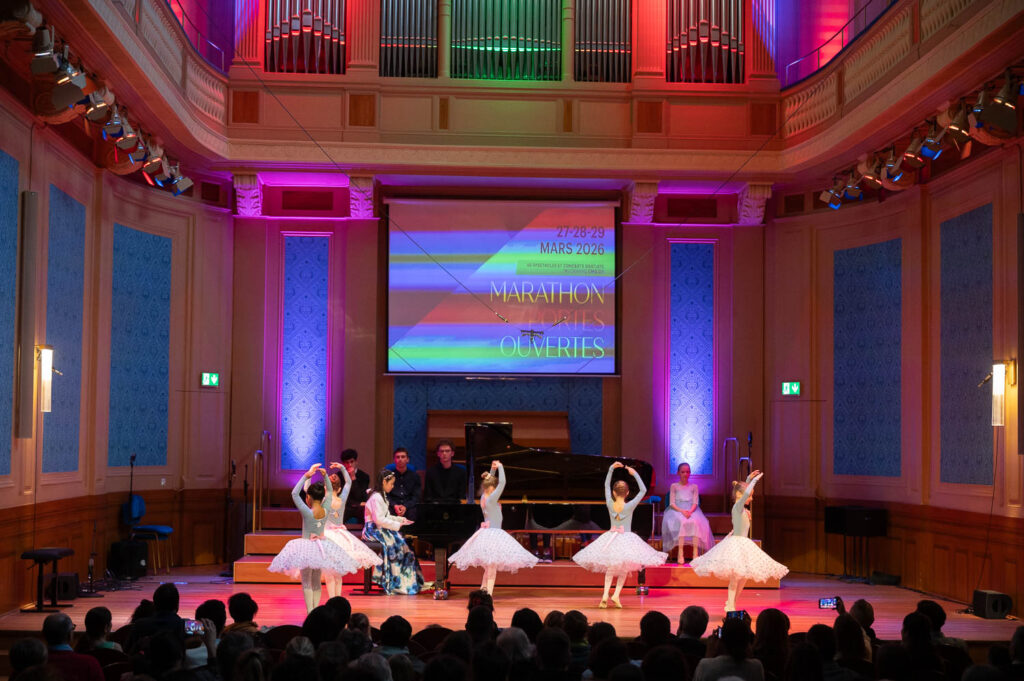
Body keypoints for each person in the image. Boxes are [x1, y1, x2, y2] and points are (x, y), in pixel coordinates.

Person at [571, 461, 667, 608]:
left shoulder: (610, 502)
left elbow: (605, 487)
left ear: (614, 493)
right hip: (626, 540)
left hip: (611, 537)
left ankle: (606, 595)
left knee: (611, 569)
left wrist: (610, 470)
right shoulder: (629, 505)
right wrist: (634, 474)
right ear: (627, 493)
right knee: (623, 569)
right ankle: (615, 595)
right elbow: (643, 491)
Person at [268, 463, 362, 613]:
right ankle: (315, 610)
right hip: (321, 548)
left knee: (307, 582)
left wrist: (307, 475)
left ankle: (310, 611)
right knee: (317, 581)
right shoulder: (325, 510)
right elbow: (330, 492)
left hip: (306, 547)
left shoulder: (307, 512)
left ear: (309, 498)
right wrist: (325, 476)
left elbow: (294, 493)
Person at [690, 470, 788, 612]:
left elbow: (745, 493)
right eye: (750, 496)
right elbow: (745, 494)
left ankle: (732, 603)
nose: (751, 499)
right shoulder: (737, 507)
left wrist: (748, 479)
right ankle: (730, 606)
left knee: (743, 577)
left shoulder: (742, 509)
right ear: (739, 495)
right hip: (737, 544)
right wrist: (754, 481)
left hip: (743, 543)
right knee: (735, 578)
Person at [449, 460, 539, 595]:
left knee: (490, 568)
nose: (498, 489)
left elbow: (491, 481)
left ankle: (483, 592)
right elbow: (503, 483)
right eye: (495, 487)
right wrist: (501, 467)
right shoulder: (491, 500)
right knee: (491, 569)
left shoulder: (484, 498)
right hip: (494, 535)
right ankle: (488, 594)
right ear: (492, 488)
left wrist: (492, 470)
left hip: (487, 534)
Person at [318, 462, 382, 597]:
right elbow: (348, 482)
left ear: (326, 487)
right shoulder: (341, 497)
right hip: (341, 536)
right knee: (337, 573)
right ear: (339, 489)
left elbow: (309, 491)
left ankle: (332, 601)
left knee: (330, 573)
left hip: (328, 536)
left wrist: (323, 475)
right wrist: (342, 468)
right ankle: (337, 600)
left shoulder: (326, 498)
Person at [362, 467, 425, 594]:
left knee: (404, 545)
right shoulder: (376, 497)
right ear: (384, 483)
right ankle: (394, 582)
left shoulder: (382, 496)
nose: (392, 486)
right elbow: (378, 520)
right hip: (372, 530)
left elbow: (385, 516)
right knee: (396, 546)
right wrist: (397, 525)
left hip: (380, 528)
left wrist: (400, 520)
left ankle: (406, 581)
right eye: (391, 484)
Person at [660, 462, 714, 562]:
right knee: (682, 521)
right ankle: (681, 553)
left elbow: (695, 502)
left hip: (691, 510)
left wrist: (690, 511)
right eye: (683, 472)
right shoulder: (674, 486)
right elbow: (672, 503)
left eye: (688, 472)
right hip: (677, 510)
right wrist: (682, 512)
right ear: (678, 473)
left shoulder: (694, 487)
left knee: (696, 522)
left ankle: (695, 553)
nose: (685, 474)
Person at [41, 613, 104, 681]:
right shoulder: (89, 663)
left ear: (43, 634)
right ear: (70, 635)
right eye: (73, 628)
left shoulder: (35, 662)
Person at [386, 447, 422, 521]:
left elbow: (416, 496)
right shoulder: (389, 476)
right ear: (394, 460)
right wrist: (395, 505)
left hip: (409, 506)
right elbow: (386, 495)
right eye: (397, 457)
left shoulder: (415, 476)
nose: (400, 459)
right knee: (387, 511)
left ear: (407, 459)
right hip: (393, 506)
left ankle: (410, 533)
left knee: (415, 512)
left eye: (403, 457)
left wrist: (405, 506)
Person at [339, 449, 371, 524]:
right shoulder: (339, 476)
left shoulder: (364, 477)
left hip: (358, 508)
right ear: (343, 464)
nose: (350, 465)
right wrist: (356, 503)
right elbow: (340, 497)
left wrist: (353, 478)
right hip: (345, 507)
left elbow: (361, 497)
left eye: (352, 461)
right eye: (347, 462)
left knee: (366, 511)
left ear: (356, 462)